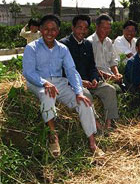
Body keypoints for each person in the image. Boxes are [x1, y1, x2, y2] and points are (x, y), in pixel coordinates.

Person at [22, 15, 102, 157]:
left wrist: (79, 92)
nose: (49, 32)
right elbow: (28, 72)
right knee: (47, 95)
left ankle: (92, 143)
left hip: (59, 82)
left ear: (58, 31)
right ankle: (53, 136)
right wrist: (45, 83)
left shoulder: (63, 49)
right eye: (46, 29)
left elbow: (71, 71)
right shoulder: (31, 47)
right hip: (38, 82)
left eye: (53, 29)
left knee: (84, 103)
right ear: (40, 30)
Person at [60, 15, 119, 130]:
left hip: (89, 81)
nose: (82, 31)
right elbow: (62, 70)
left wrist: (94, 79)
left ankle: (109, 123)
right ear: (72, 28)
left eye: (85, 28)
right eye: (79, 27)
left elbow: (92, 66)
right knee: (85, 94)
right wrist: (80, 82)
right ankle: (97, 124)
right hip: (73, 83)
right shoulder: (64, 45)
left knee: (109, 89)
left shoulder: (87, 44)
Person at [87, 14, 123, 88]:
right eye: (104, 28)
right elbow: (90, 67)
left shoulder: (109, 41)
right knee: (116, 89)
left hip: (110, 75)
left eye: (108, 28)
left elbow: (113, 61)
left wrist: (117, 74)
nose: (106, 31)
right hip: (97, 78)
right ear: (97, 27)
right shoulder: (89, 42)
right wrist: (109, 77)